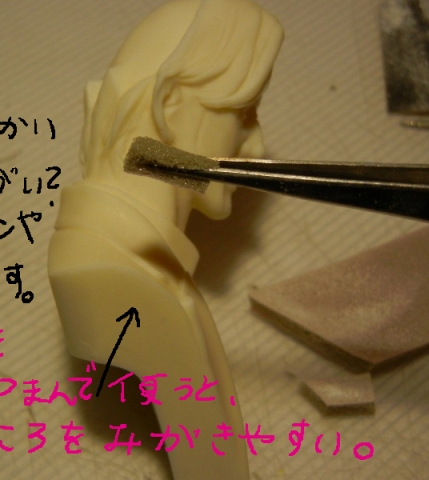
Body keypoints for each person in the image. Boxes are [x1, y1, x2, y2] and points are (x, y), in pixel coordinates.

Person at [48, 1, 283, 478]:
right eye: (244, 113)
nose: (255, 147)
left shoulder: (150, 265)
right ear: (170, 104)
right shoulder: (115, 273)